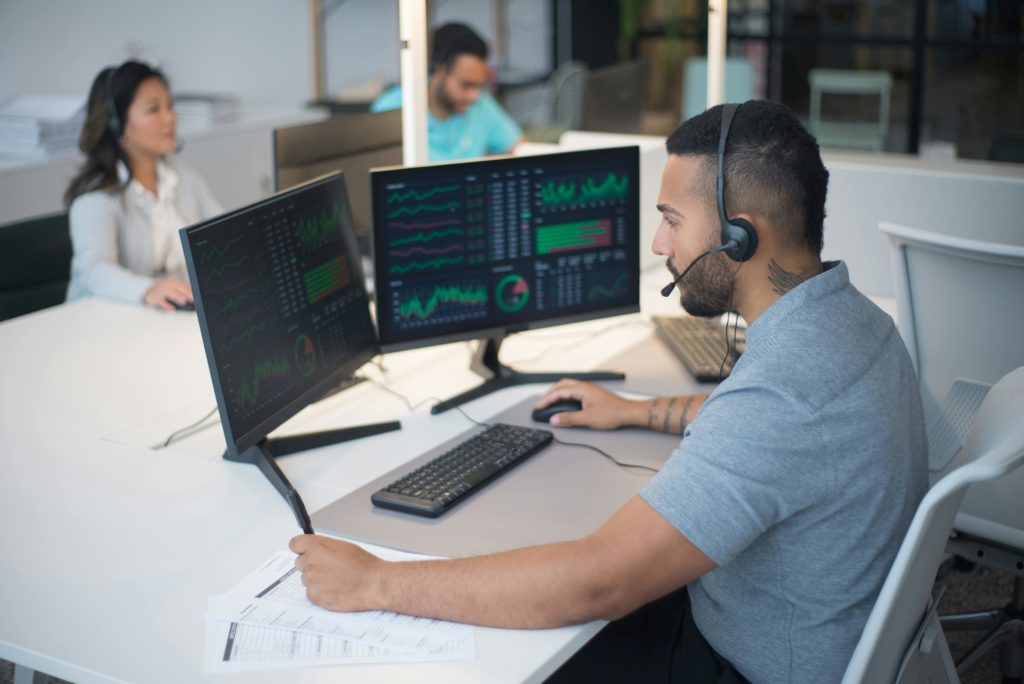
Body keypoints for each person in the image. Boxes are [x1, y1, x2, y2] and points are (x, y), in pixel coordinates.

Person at [290, 101, 928, 682]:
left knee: (516, 658)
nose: (660, 244)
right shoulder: (854, 322)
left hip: (739, 666)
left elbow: (598, 581)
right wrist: (635, 411)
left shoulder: (781, 394)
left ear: (740, 235)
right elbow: (776, 431)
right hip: (797, 632)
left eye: (672, 220)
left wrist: (375, 580)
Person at [64, 60, 222, 311]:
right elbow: (93, 269)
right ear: (118, 125)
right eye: (153, 109)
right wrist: (148, 289)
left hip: (166, 319)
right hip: (103, 324)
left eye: (169, 106)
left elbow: (222, 235)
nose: (169, 117)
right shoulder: (96, 196)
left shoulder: (184, 177)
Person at [370, 22, 523, 162]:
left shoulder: (482, 106)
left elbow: (521, 148)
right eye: (466, 85)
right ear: (438, 70)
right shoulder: (391, 110)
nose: (474, 96)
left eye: (479, 86)